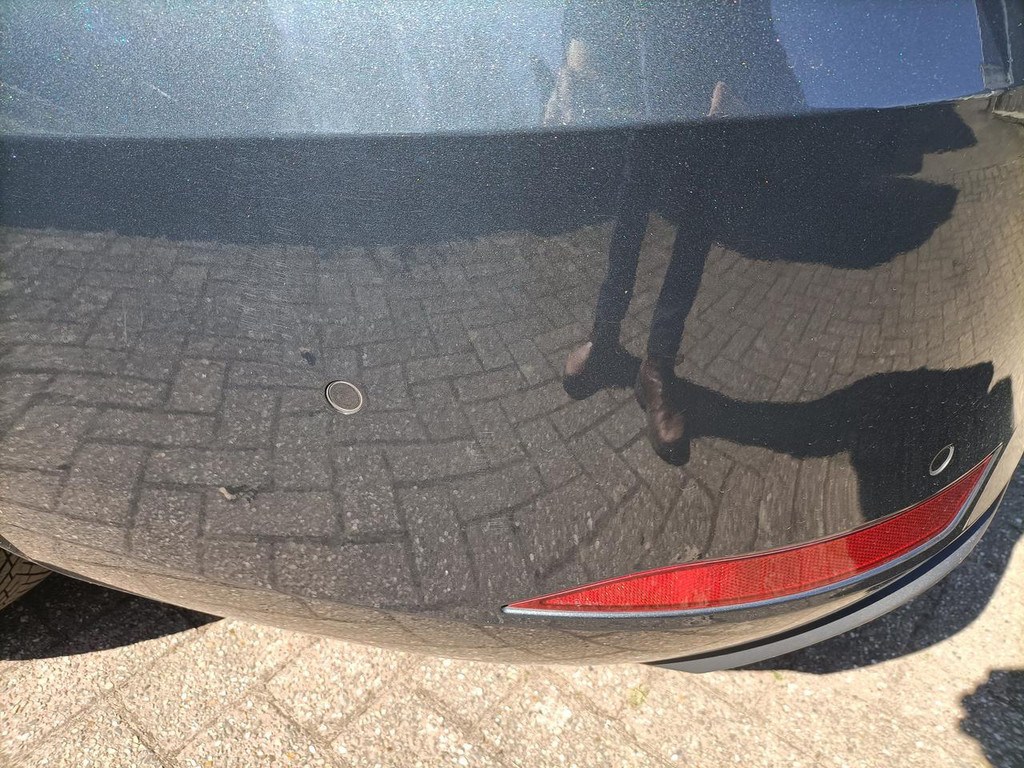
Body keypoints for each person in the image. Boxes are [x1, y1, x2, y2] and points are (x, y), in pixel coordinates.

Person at [543, 1, 804, 464]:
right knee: (629, 217)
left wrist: (745, 86)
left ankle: (658, 368)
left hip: (710, 102)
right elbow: (583, 12)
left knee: (694, 234)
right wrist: (569, 64)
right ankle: (604, 339)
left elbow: (760, 30)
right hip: (638, 84)